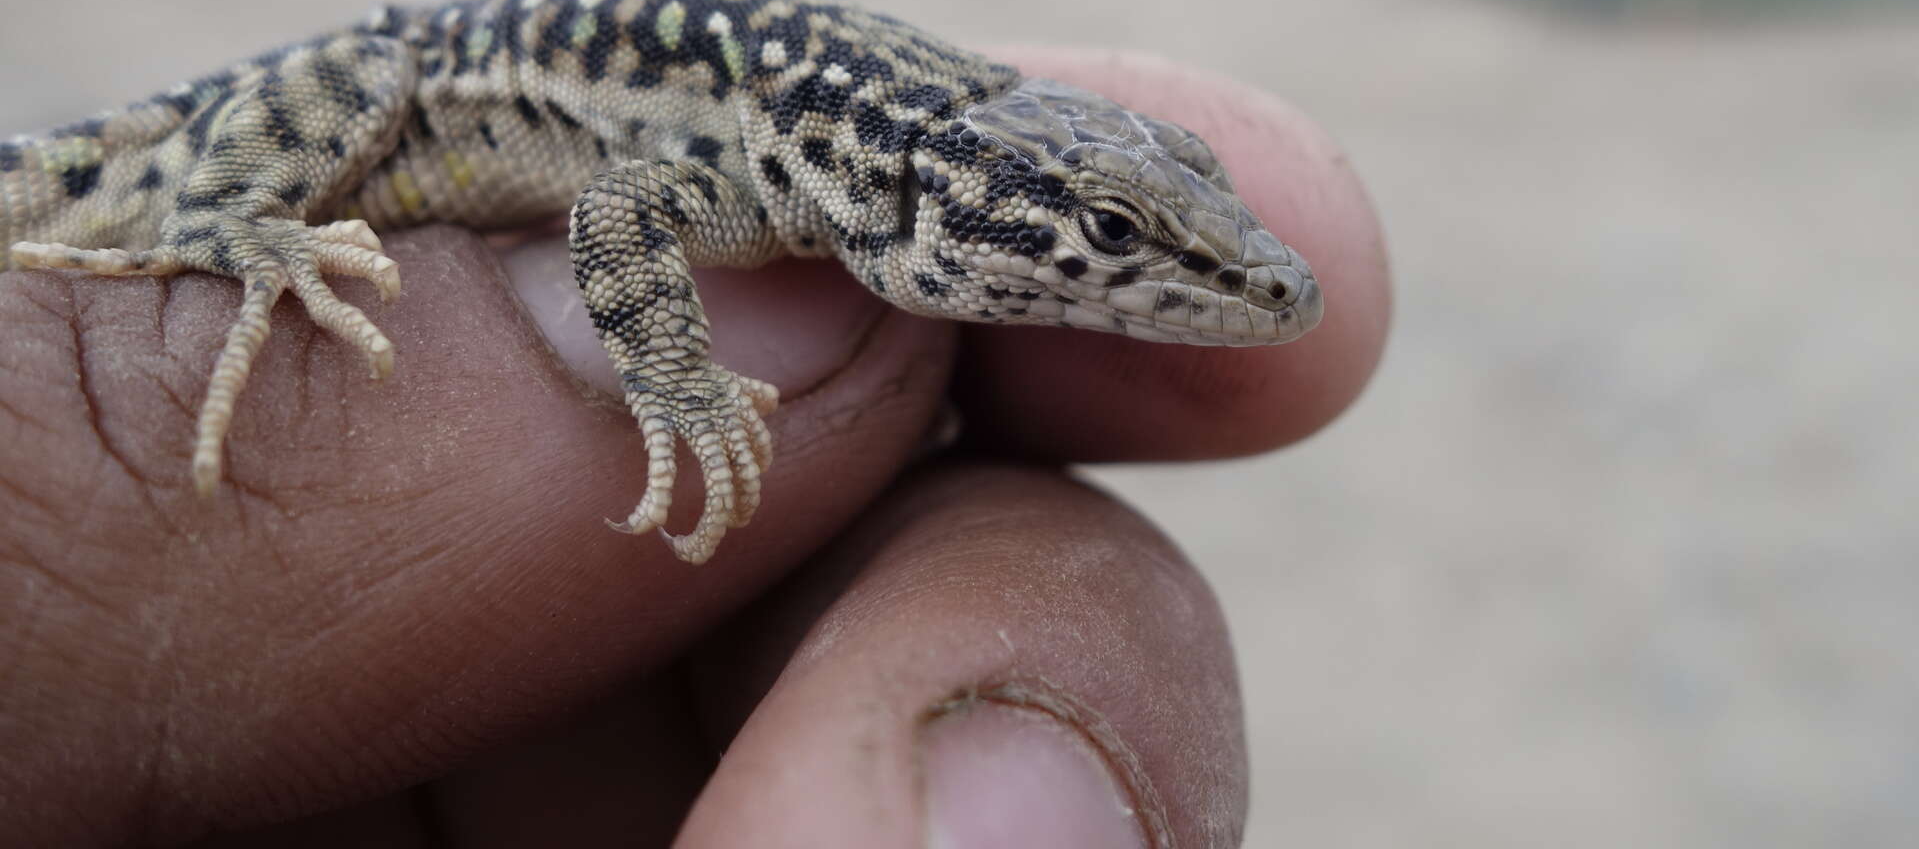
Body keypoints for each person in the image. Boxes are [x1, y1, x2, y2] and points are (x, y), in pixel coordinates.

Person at [0, 51, 1388, 847]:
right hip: (322, 114)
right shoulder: (793, 177)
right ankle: (233, 213)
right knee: (351, 88)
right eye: (1110, 237)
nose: (1250, 289)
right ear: (950, 204)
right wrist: (663, 375)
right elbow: (614, 216)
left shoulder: (862, 164)